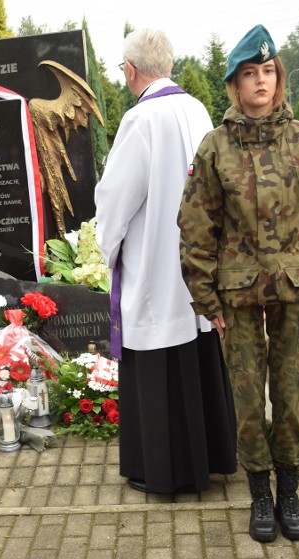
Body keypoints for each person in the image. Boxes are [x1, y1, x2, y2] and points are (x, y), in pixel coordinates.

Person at [178, 25, 299, 543]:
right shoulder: (215, 147)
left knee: (292, 392)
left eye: (268, 71)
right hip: (238, 295)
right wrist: (207, 299)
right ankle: (258, 494)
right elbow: (196, 226)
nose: (260, 82)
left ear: (279, 77)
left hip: (295, 292)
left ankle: (290, 491)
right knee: (249, 398)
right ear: (234, 84)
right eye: (249, 73)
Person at [95, 28, 237, 496]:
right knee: (195, 352)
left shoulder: (141, 120)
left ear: (131, 71)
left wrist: (106, 243)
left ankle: (161, 469)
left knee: (158, 355)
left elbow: (117, 196)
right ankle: (208, 457)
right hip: (194, 260)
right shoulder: (197, 109)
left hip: (155, 261)